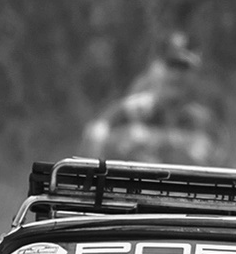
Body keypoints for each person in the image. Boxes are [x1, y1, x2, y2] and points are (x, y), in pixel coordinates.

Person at [79, 33, 224, 166]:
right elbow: (94, 136)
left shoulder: (204, 120)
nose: (176, 75)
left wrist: (153, 139)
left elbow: (218, 159)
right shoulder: (128, 111)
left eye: (184, 67)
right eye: (171, 65)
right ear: (154, 67)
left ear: (195, 74)